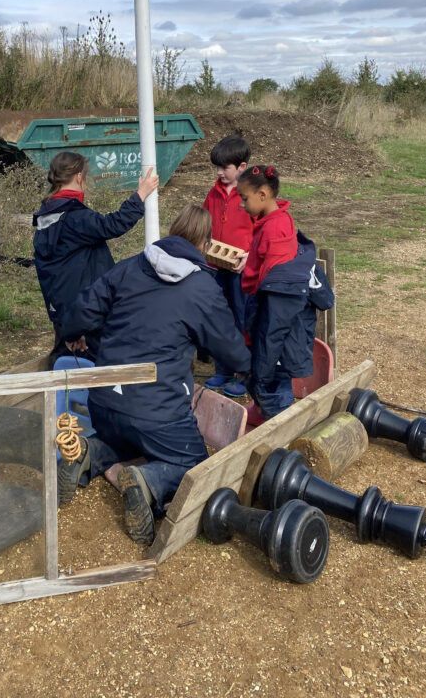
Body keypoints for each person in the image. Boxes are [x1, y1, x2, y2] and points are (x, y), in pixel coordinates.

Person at [57, 203, 252, 545]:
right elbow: (232, 351)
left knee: (121, 437)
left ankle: (87, 454)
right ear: (205, 246)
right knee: (192, 464)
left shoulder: (130, 266)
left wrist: (74, 334)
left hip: (104, 399)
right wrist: (254, 366)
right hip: (157, 411)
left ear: (172, 234)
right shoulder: (201, 288)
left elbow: (83, 308)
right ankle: (148, 482)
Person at [33, 151, 159, 367]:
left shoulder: (46, 215)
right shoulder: (75, 216)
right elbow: (113, 224)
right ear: (79, 177)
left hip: (64, 310)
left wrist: (69, 325)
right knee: (96, 368)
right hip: (86, 312)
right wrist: (140, 194)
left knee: (67, 366)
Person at [237, 165, 334, 425]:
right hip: (270, 317)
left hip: (281, 332)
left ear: (263, 195)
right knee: (262, 377)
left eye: (244, 198)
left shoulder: (275, 231)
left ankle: (277, 427)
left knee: (272, 382)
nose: (241, 205)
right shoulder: (275, 220)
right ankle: (265, 410)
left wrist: (262, 369)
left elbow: (279, 312)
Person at [201, 134, 254, 398]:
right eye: (217, 168)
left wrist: (249, 256)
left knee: (242, 319)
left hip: (241, 271)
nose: (220, 172)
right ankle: (222, 368)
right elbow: (203, 222)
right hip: (215, 267)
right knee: (218, 317)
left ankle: (243, 372)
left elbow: (262, 230)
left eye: (225, 168)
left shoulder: (252, 195)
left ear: (242, 167)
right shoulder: (214, 192)